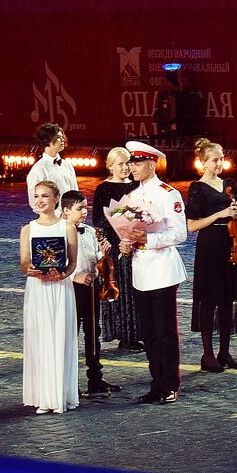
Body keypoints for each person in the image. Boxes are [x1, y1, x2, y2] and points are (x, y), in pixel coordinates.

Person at [118, 140, 187, 404]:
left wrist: (148, 241)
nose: (131, 167)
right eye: (130, 163)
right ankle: (156, 381)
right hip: (141, 270)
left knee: (164, 330)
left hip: (162, 269)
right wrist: (126, 243)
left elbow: (180, 233)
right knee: (148, 331)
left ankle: (170, 383)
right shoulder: (132, 197)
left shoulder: (168, 193)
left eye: (136, 163)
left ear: (151, 163)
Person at [185, 138, 237, 373]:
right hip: (209, 244)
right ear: (203, 163)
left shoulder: (230, 183)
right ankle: (207, 354)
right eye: (215, 160)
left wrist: (236, 214)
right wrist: (221, 213)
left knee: (228, 297)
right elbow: (192, 226)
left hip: (230, 242)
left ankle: (225, 351)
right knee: (209, 299)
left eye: (222, 158)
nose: (220, 163)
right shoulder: (197, 188)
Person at [20, 181, 80, 414]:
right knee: (41, 337)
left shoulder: (67, 228)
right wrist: (31, 270)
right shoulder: (28, 229)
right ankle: (43, 396)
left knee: (60, 336)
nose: (39, 200)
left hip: (60, 288)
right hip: (38, 288)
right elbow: (24, 262)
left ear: (56, 199)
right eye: (36, 196)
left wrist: (63, 273)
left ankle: (61, 395)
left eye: (45, 196)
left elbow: (73, 261)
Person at [61, 189, 122, 399]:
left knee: (93, 333)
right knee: (71, 335)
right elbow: (55, 263)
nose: (84, 212)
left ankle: (95, 378)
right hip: (71, 289)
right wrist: (74, 277)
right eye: (79, 209)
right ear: (66, 211)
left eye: (85, 208)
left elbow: (95, 257)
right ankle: (70, 382)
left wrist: (103, 253)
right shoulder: (59, 231)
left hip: (92, 287)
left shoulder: (89, 231)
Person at [92, 147, 143, 350]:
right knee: (122, 289)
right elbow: (97, 218)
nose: (125, 167)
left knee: (137, 287)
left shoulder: (137, 186)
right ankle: (125, 336)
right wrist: (123, 217)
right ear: (110, 166)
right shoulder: (103, 189)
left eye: (128, 163)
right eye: (120, 164)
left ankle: (138, 332)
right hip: (116, 244)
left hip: (137, 241)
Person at [25, 122, 79, 211]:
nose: (62, 140)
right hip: (51, 219)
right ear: (47, 141)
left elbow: (75, 194)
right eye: (58, 137)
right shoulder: (38, 169)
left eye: (62, 137)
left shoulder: (67, 165)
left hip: (69, 217)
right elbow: (35, 203)